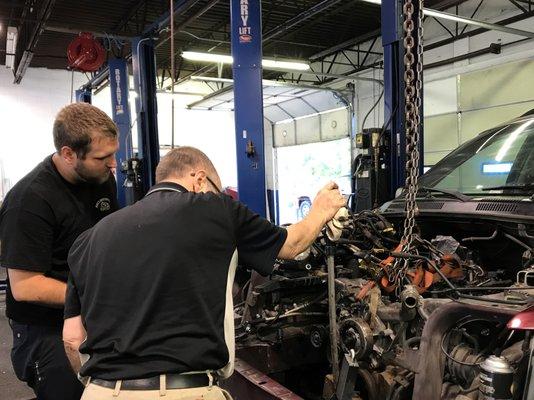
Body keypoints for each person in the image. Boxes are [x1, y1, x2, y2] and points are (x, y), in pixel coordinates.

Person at [62, 146, 346, 400]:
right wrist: (321, 209)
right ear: (199, 180)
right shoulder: (215, 209)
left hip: (99, 392)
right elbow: (292, 244)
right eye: (216, 188)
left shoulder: (87, 240)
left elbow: (72, 338)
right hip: (186, 391)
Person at [0, 103, 120, 400]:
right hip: (44, 329)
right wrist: (94, 294)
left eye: (114, 153)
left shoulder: (101, 181)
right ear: (68, 154)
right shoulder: (29, 201)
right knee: (70, 392)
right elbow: (25, 286)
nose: (114, 164)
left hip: (95, 313)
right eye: (103, 157)